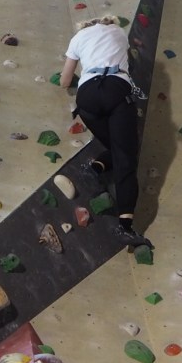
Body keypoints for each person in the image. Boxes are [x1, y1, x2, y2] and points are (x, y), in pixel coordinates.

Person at [58, 15, 151, 249]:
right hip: (116, 89)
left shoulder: (77, 38)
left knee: (116, 147)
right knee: (126, 157)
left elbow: (64, 80)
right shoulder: (118, 32)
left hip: (87, 96)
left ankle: (95, 167)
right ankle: (125, 227)